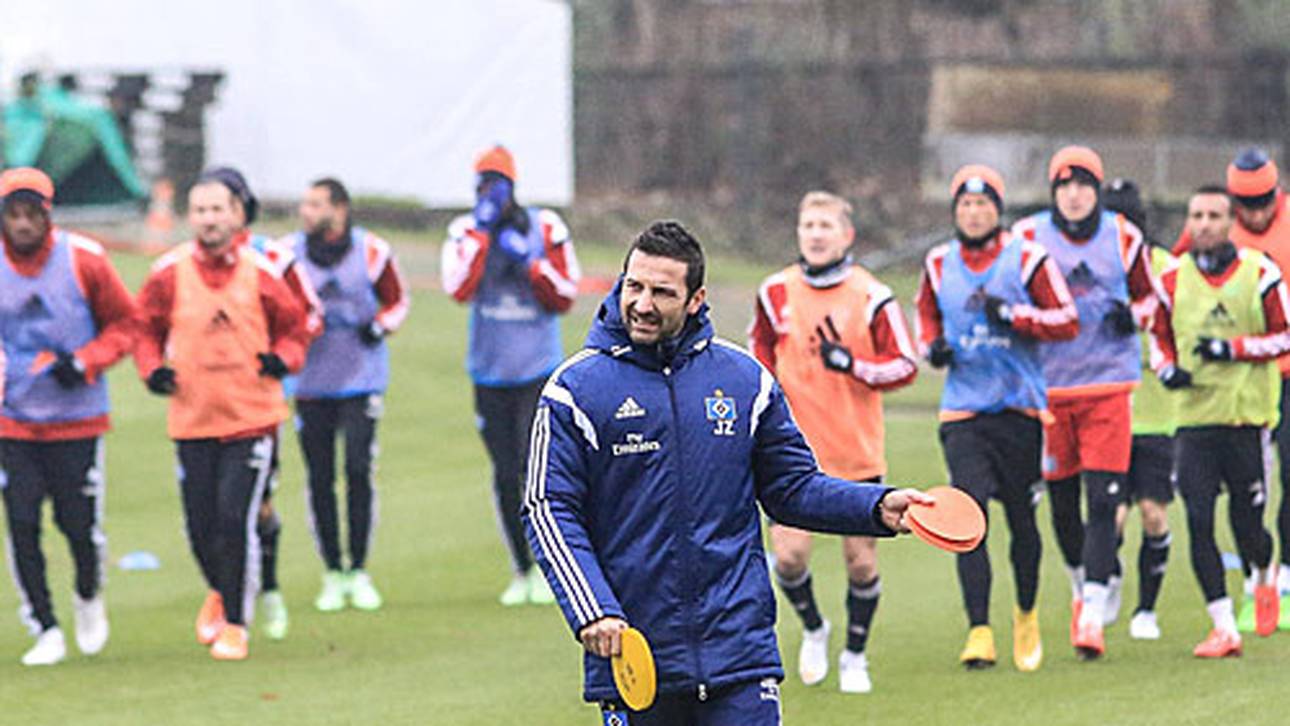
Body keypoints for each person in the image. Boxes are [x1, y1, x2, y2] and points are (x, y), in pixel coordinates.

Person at [523, 220, 929, 725]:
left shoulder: (745, 381)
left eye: (662, 292)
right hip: (634, 655)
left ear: (696, 299)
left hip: (739, 656)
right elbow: (547, 509)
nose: (643, 304)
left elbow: (792, 489)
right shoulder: (575, 390)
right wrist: (593, 609)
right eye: (634, 286)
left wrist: (873, 506)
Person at [134, 177, 311, 660]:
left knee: (236, 518)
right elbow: (144, 330)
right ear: (190, 217)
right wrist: (152, 370)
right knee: (199, 524)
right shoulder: (168, 273)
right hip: (192, 418)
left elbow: (297, 326)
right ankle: (220, 588)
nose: (210, 219)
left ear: (236, 215)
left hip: (251, 417)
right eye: (201, 210)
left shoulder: (262, 271)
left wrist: (285, 358)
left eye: (218, 209)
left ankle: (236, 623)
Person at [748, 191, 917, 693]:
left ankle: (855, 654)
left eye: (825, 225)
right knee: (790, 558)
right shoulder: (774, 291)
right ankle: (815, 628)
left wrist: (856, 366)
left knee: (861, 562)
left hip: (855, 453)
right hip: (791, 456)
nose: (816, 234)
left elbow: (905, 363)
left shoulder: (871, 295)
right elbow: (757, 359)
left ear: (847, 235)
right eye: (807, 225)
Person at [916, 165, 1078, 671]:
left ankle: (1026, 615)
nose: (973, 213)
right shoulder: (939, 262)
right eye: (964, 205)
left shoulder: (1027, 259)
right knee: (969, 515)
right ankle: (979, 630)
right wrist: (934, 349)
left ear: (998, 210)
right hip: (963, 410)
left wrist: (1016, 316)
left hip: (1020, 409)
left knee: (1022, 520)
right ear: (955, 212)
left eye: (983, 204)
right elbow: (926, 319)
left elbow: (1066, 320)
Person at [1011, 145, 1155, 659]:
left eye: (1084, 185)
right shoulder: (1027, 237)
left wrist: (1132, 315)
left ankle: (1092, 612)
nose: (1074, 195)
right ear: (1053, 192)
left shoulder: (1123, 236)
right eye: (1064, 186)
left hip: (1108, 385)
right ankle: (1082, 581)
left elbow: (1151, 296)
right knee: (1064, 507)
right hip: (1049, 389)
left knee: (1104, 500)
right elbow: (1008, 291)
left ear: (1097, 191)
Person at [0, 168, 136, 665]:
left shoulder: (85, 259)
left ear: (47, 216)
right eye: (11, 215)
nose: (21, 225)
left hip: (76, 418)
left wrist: (84, 362)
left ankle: (87, 593)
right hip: (12, 421)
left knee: (77, 525)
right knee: (20, 522)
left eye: (30, 214)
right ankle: (45, 625)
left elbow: (127, 324)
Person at [1148, 185, 1287, 657]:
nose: (1203, 223)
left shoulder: (1260, 273)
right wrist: (1167, 369)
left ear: (1231, 222)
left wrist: (1233, 349)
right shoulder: (1171, 279)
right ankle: (1223, 625)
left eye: (1213, 215)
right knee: (1199, 519)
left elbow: (1283, 337)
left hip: (1245, 419)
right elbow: (1158, 337)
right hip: (1192, 422)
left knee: (1248, 526)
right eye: (1196, 215)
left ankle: (1263, 576)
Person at [441, 145, 580, 606]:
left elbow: (566, 294)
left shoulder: (545, 227)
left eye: (496, 184)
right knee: (504, 472)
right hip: (489, 372)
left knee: (534, 470)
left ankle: (550, 565)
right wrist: (483, 236)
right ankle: (520, 568)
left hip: (536, 369)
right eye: (482, 184)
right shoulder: (464, 229)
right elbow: (457, 288)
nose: (489, 193)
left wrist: (530, 262)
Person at [197, 166, 323, 640]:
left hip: (261, 405)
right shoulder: (190, 262)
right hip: (204, 402)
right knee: (210, 507)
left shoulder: (273, 257)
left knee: (255, 504)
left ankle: (263, 590)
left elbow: (310, 315)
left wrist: (277, 357)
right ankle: (227, 590)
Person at [1177, 149, 1290, 629]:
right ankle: (1258, 578)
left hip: (1282, 370)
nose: (1256, 211)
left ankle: (1282, 576)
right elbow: (1175, 277)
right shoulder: (1214, 228)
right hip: (1228, 393)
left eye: (1263, 199)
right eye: (1245, 202)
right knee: (1239, 505)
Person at [287, 177, 409, 613]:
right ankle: (331, 572)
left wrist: (380, 325)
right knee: (319, 476)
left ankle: (358, 569)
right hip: (310, 381)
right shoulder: (288, 255)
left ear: (339, 209)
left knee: (357, 468)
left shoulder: (372, 251)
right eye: (304, 203)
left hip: (361, 377)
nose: (305, 211)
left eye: (315, 203)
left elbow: (398, 301)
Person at [1102, 178, 1177, 641]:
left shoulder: (1168, 269)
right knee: (1110, 518)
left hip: (1157, 415)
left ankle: (1146, 609)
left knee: (1153, 513)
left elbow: (1174, 329)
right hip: (1108, 410)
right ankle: (1107, 581)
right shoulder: (1092, 269)